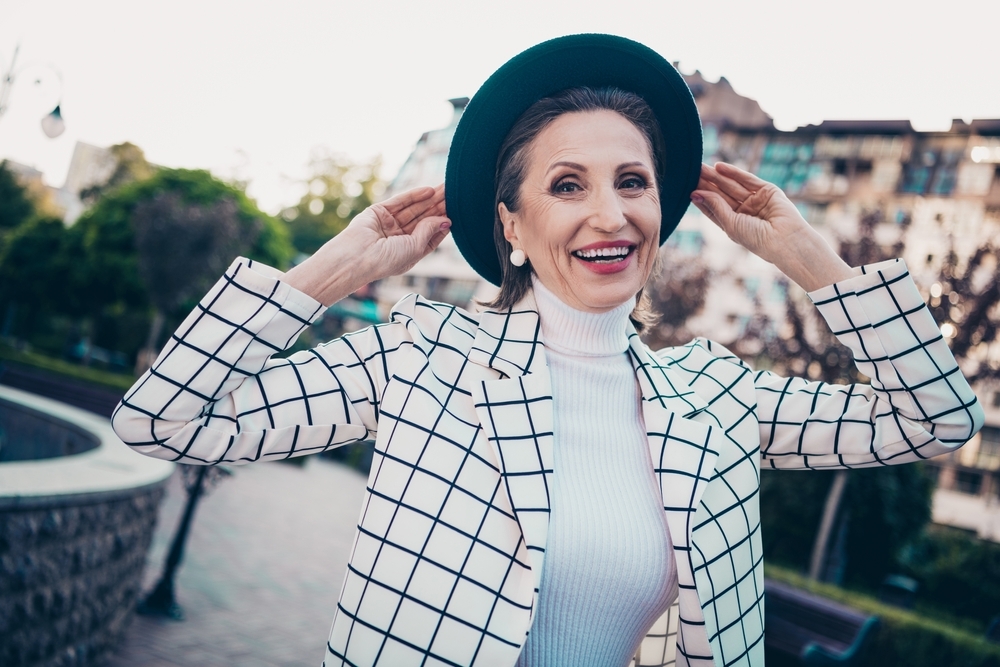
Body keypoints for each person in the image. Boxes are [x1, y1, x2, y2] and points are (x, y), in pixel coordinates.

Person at [113, 34, 983, 667]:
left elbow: (935, 419)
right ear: (513, 227)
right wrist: (333, 269)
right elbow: (163, 418)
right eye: (567, 185)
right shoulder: (422, 356)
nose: (610, 214)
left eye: (632, 182)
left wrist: (810, 260)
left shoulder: (713, 396)